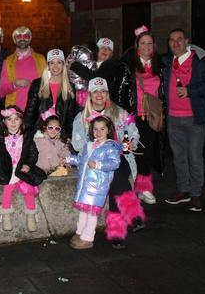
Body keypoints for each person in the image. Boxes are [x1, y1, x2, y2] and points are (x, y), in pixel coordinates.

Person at [72, 77, 145, 249]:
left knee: (117, 174)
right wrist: (95, 144)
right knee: (114, 180)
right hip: (95, 164)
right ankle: (126, 222)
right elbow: (77, 144)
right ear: (89, 95)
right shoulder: (81, 117)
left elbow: (133, 132)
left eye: (102, 91)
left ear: (107, 94)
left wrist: (130, 143)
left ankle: (119, 229)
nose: (99, 95)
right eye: (95, 91)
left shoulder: (120, 113)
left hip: (119, 158)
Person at [162, 28, 205, 212]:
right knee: (178, 157)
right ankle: (183, 191)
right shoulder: (166, 61)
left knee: (194, 157)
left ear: (187, 41)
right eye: (172, 40)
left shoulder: (201, 60)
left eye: (179, 39)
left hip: (194, 117)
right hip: (173, 117)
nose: (176, 43)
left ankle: (196, 194)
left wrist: (190, 91)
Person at [113, 26, 165, 204]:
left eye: (150, 44)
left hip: (151, 116)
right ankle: (127, 188)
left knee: (147, 153)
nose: (147, 47)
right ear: (137, 46)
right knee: (128, 151)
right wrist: (121, 115)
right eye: (143, 43)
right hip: (133, 117)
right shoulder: (128, 66)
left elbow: (163, 91)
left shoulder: (159, 65)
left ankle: (144, 187)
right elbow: (119, 92)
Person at [0, 106, 47, 232]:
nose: (13, 122)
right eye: (9, 119)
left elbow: (33, 153)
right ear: (4, 122)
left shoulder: (26, 136)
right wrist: (1, 163)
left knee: (29, 188)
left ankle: (31, 215)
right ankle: (6, 214)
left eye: (16, 119)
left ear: (21, 121)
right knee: (8, 187)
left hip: (22, 167)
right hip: (7, 168)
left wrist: (28, 164)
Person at [68, 116, 122, 250]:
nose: (98, 132)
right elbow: (81, 160)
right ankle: (80, 232)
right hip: (84, 185)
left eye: (102, 129)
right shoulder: (89, 144)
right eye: (95, 129)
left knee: (91, 214)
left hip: (97, 187)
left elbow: (114, 163)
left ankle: (87, 238)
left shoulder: (110, 147)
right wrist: (69, 159)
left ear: (108, 130)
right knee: (83, 212)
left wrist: (98, 164)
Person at [24, 48, 77, 137]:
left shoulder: (70, 87)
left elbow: (70, 117)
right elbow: (30, 112)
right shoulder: (37, 84)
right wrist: (27, 136)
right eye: (52, 63)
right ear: (48, 65)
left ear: (63, 65)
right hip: (39, 134)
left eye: (59, 62)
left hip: (60, 135)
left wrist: (69, 138)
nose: (55, 66)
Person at [0, 26, 47, 110]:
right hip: (14, 111)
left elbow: (48, 85)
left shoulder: (41, 59)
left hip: (37, 108)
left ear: (30, 38)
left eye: (25, 36)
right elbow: (2, 91)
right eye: (19, 36)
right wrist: (15, 84)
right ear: (14, 39)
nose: (22, 39)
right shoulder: (8, 61)